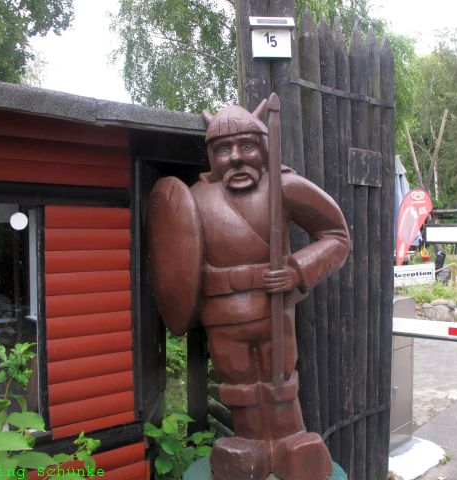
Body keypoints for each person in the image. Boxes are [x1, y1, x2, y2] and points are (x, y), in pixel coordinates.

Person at [148, 99, 350, 480]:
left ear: (263, 146)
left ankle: (291, 443)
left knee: (280, 380)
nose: (236, 158)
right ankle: (251, 446)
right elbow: (176, 257)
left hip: (274, 310)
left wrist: (296, 269)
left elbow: (337, 235)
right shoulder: (195, 200)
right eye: (223, 149)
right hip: (222, 317)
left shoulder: (283, 186)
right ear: (211, 157)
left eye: (246, 145)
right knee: (238, 382)